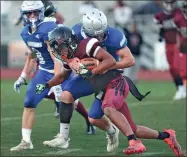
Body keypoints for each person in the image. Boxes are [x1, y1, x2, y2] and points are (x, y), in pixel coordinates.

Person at [71, 8, 184, 156]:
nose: (100, 37)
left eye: (102, 32)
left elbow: (130, 60)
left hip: (115, 80)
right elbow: (73, 61)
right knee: (103, 121)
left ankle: (134, 142)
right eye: (95, 35)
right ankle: (168, 136)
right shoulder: (77, 36)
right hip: (100, 85)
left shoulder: (114, 36)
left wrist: (106, 65)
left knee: (108, 108)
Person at [36, 25, 147, 155]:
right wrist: (47, 85)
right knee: (66, 96)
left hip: (108, 78)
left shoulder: (88, 44)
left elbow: (110, 60)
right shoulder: (69, 53)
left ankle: (135, 139)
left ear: (69, 42)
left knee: (99, 117)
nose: (58, 50)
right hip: (92, 79)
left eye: (59, 46)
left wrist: (93, 70)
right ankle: (64, 138)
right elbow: (62, 76)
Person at [154, 0, 186, 100]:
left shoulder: (179, 14)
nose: (169, 5)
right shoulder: (160, 16)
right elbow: (159, 29)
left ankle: (182, 89)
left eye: (171, 2)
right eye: (168, 2)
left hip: (177, 44)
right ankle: (180, 88)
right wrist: (160, 32)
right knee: (172, 69)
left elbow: (183, 30)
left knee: (178, 67)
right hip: (168, 45)